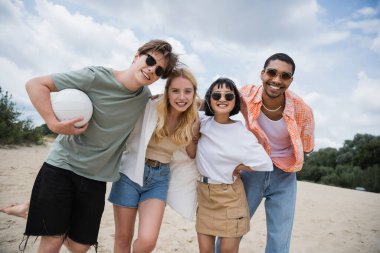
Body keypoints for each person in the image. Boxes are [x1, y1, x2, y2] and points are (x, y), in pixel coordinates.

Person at [21, 39, 179, 253]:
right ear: (136, 56)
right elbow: (35, 84)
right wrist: (53, 123)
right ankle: (45, 219)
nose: (151, 69)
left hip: (96, 178)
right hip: (62, 168)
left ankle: (36, 212)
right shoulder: (95, 77)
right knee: (53, 240)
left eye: (158, 70)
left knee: (80, 246)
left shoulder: (144, 99)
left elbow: (173, 107)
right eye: (149, 60)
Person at [216, 53, 315, 253]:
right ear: (262, 74)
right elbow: (214, 104)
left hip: (285, 175)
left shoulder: (302, 110)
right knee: (232, 230)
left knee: (280, 238)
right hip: (252, 169)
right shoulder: (245, 95)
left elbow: (307, 147)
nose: (277, 80)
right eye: (272, 72)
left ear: (291, 80)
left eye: (285, 76)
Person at [108, 68, 199, 253]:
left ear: (193, 93)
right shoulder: (151, 106)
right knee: (123, 238)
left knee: (147, 241)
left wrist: (193, 135)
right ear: (167, 92)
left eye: (187, 91)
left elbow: (191, 154)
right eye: (175, 91)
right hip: (130, 173)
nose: (181, 97)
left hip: (159, 178)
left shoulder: (192, 119)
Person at [196, 78, 273, 253]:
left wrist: (240, 166)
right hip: (204, 196)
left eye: (228, 96)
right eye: (216, 95)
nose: (222, 99)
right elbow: (188, 104)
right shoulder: (203, 122)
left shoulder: (240, 132)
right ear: (209, 99)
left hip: (230, 198)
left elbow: (265, 162)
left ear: (235, 101)